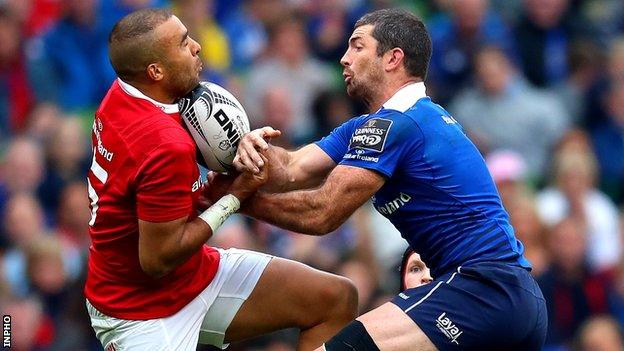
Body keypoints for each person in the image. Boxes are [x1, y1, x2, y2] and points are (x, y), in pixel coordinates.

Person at [222, 8, 547, 351]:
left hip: (480, 290)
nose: (344, 59)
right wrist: (240, 144)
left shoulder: (396, 124)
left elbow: (322, 212)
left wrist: (235, 200)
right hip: (514, 299)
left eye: (357, 46)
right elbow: (291, 167)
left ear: (393, 58)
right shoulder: (380, 124)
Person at [84, 9, 357, 351]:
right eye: (184, 44)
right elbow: (157, 261)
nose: (197, 46)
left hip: (191, 276)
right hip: (141, 313)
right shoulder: (164, 145)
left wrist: (237, 143)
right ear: (156, 71)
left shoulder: (123, 93)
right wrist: (233, 198)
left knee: (334, 299)